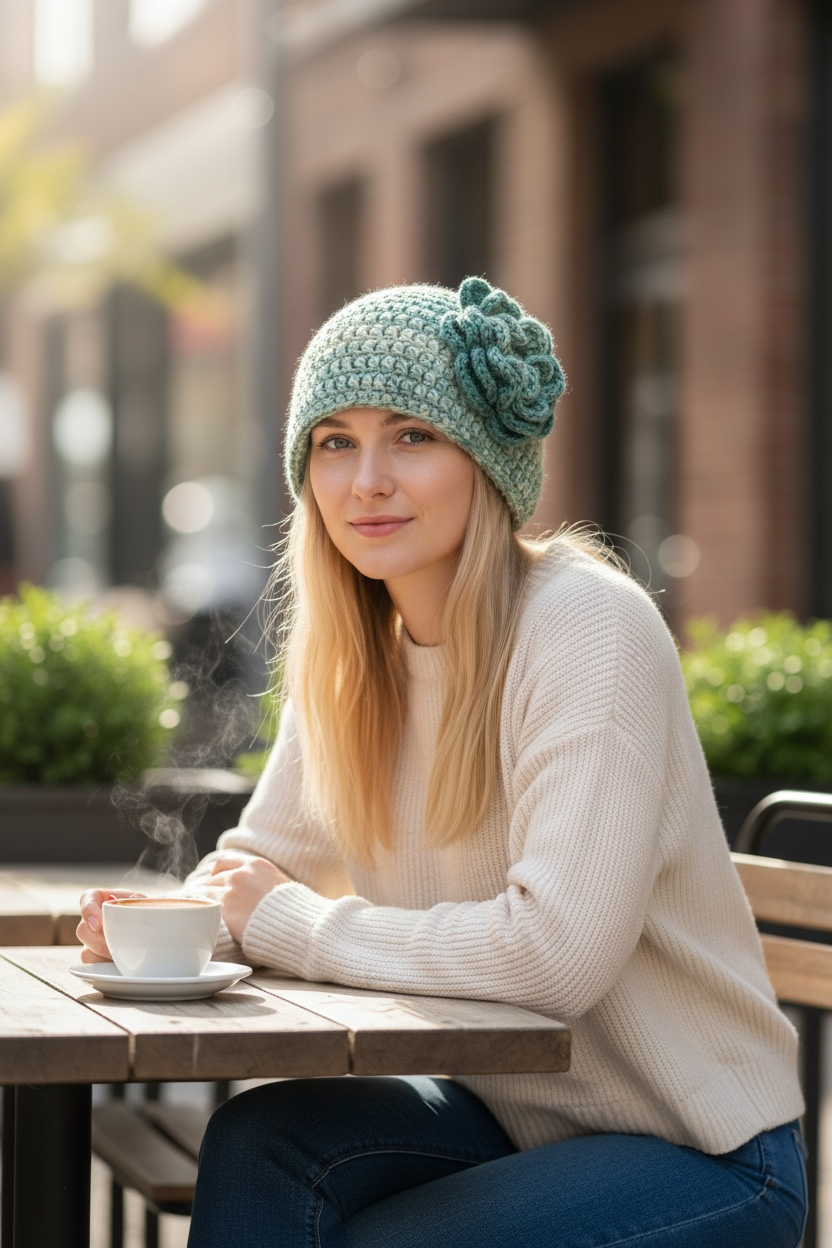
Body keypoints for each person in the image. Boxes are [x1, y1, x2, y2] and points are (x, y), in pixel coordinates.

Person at [79, 277, 808, 1248]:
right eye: (334, 441)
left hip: (700, 1147)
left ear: (487, 462)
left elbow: (555, 957)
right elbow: (267, 864)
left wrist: (285, 921)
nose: (365, 479)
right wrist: (180, 922)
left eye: (411, 435)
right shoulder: (352, 653)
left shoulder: (587, 628)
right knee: (261, 1140)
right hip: (516, 1113)